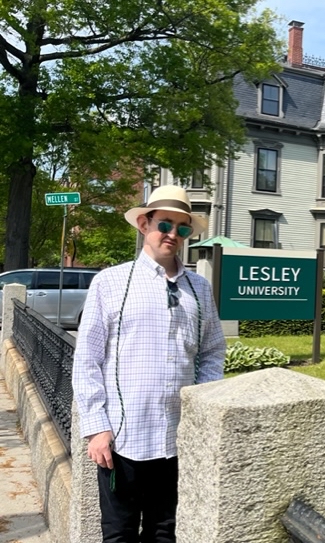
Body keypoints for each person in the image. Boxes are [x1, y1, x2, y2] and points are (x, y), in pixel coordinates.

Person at [72, 185, 226, 543]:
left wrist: (201, 402)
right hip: (122, 440)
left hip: (178, 439)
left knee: (165, 532)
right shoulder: (111, 282)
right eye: (165, 225)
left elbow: (212, 351)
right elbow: (88, 358)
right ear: (144, 224)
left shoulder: (199, 289)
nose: (173, 234)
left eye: (182, 228)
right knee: (119, 535)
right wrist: (96, 428)